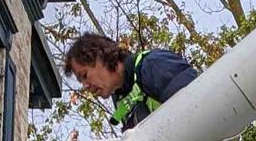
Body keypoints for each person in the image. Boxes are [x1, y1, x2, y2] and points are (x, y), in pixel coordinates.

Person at [64, 30, 197, 131]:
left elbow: (198, 105)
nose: (85, 86)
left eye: (85, 75)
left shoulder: (154, 65)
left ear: (100, 57)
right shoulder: (121, 103)